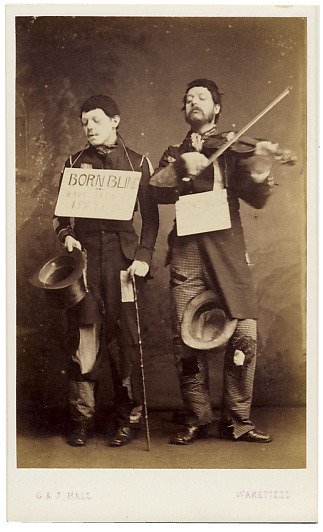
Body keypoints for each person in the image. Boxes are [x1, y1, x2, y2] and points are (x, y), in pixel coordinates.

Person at [150, 78, 275, 445]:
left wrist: (263, 165)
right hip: (187, 251)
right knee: (184, 339)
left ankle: (237, 420)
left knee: (244, 334)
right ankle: (197, 417)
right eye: (188, 99)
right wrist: (179, 168)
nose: (194, 102)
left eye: (202, 97)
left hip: (228, 250)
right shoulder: (174, 152)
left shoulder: (234, 148)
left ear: (217, 108)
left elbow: (257, 197)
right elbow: (155, 189)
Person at [53, 94, 159, 447]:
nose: (89, 128)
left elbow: (152, 220)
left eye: (96, 120)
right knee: (85, 335)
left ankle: (127, 418)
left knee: (126, 340)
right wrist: (67, 236)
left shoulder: (138, 162)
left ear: (115, 120)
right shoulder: (73, 161)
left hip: (123, 262)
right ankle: (82, 419)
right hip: (85, 261)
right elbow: (60, 218)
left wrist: (143, 256)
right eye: (84, 123)